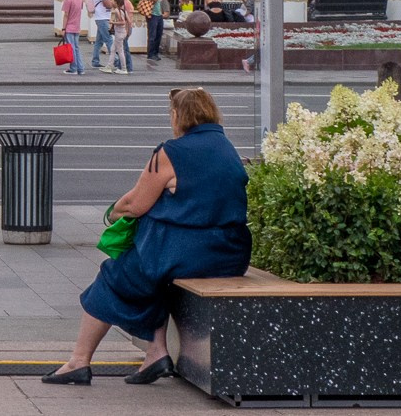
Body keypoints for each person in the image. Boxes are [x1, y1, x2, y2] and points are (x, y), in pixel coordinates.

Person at [43, 88, 250, 386]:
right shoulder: (226, 147)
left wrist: (112, 212)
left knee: (113, 277)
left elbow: (136, 204)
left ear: (179, 115)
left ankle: (78, 361)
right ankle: (156, 353)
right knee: (157, 279)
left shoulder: (172, 152)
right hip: (231, 255)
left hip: (187, 252)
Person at [60, 0, 87, 76]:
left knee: (71, 48)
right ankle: (81, 68)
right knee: (76, 48)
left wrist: (63, 28)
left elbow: (66, 15)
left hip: (69, 27)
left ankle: (73, 68)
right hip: (77, 25)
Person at [89, 0, 115, 70]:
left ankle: (95, 61)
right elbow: (108, 5)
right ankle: (116, 60)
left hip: (101, 17)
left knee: (99, 41)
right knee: (109, 39)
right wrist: (111, 2)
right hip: (102, 18)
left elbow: (110, 2)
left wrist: (111, 2)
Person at [109, 0, 135, 74]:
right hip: (123, 30)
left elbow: (128, 20)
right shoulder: (120, 4)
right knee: (121, 49)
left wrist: (127, 31)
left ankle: (127, 67)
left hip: (124, 30)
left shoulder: (126, 3)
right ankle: (122, 66)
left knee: (124, 49)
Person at [145, 0, 166, 65]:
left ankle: (155, 53)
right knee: (152, 35)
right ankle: (150, 54)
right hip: (152, 14)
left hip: (159, 14)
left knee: (159, 34)